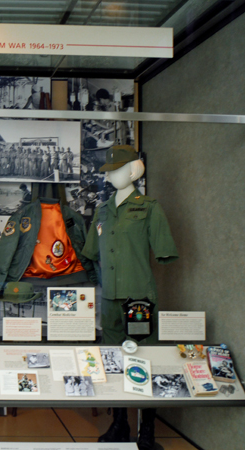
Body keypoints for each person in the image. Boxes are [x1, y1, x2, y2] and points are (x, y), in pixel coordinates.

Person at [82, 145, 178, 450]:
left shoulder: (150, 207)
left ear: (134, 170)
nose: (109, 175)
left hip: (139, 299)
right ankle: (120, 423)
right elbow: (91, 253)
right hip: (110, 299)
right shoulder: (102, 210)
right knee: (112, 361)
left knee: (145, 361)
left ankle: (147, 429)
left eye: (116, 169)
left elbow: (163, 250)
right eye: (108, 171)